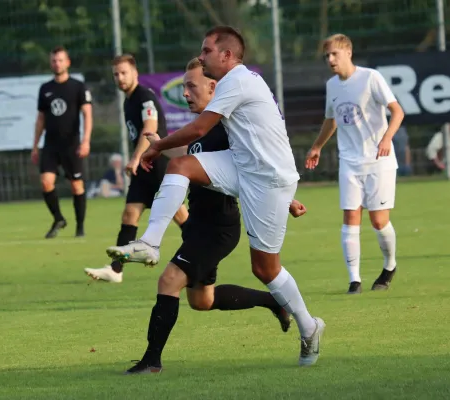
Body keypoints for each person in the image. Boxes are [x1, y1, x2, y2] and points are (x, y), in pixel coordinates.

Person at [106, 26, 325, 367]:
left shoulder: (236, 81)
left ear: (226, 56)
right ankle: (149, 242)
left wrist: (156, 147)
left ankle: (309, 326)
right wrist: (162, 148)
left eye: (207, 50)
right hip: (243, 167)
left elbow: (198, 130)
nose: (202, 54)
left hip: (266, 182)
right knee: (180, 165)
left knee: (265, 269)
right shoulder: (233, 83)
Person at [304, 34, 405, 295]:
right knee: (350, 216)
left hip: (378, 160)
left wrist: (386, 139)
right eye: (327, 55)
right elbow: (331, 120)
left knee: (379, 220)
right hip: (349, 161)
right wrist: (317, 146)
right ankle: (355, 281)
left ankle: (389, 265)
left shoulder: (371, 78)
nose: (330, 59)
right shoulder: (332, 85)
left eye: (334, 54)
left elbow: (397, 111)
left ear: (348, 52)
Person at [83, 54, 188, 283]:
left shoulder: (144, 96)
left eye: (124, 73)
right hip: (144, 167)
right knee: (130, 214)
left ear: (135, 73)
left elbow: (150, 128)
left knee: (180, 216)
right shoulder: (128, 100)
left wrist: (135, 158)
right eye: (116, 74)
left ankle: (203, 249)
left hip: (156, 164)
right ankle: (115, 270)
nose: (120, 78)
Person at [31, 46, 93, 239]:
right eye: (53, 60)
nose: (56, 63)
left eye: (60, 60)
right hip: (50, 145)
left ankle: (80, 228)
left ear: (67, 63)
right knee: (46, 182)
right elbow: (41, 119)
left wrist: (86, 141)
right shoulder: (45, 89)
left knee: (76, 185)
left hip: (71, 144)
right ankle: (58, 218)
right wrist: (35, 145)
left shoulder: (78, 86)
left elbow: (87, 115)